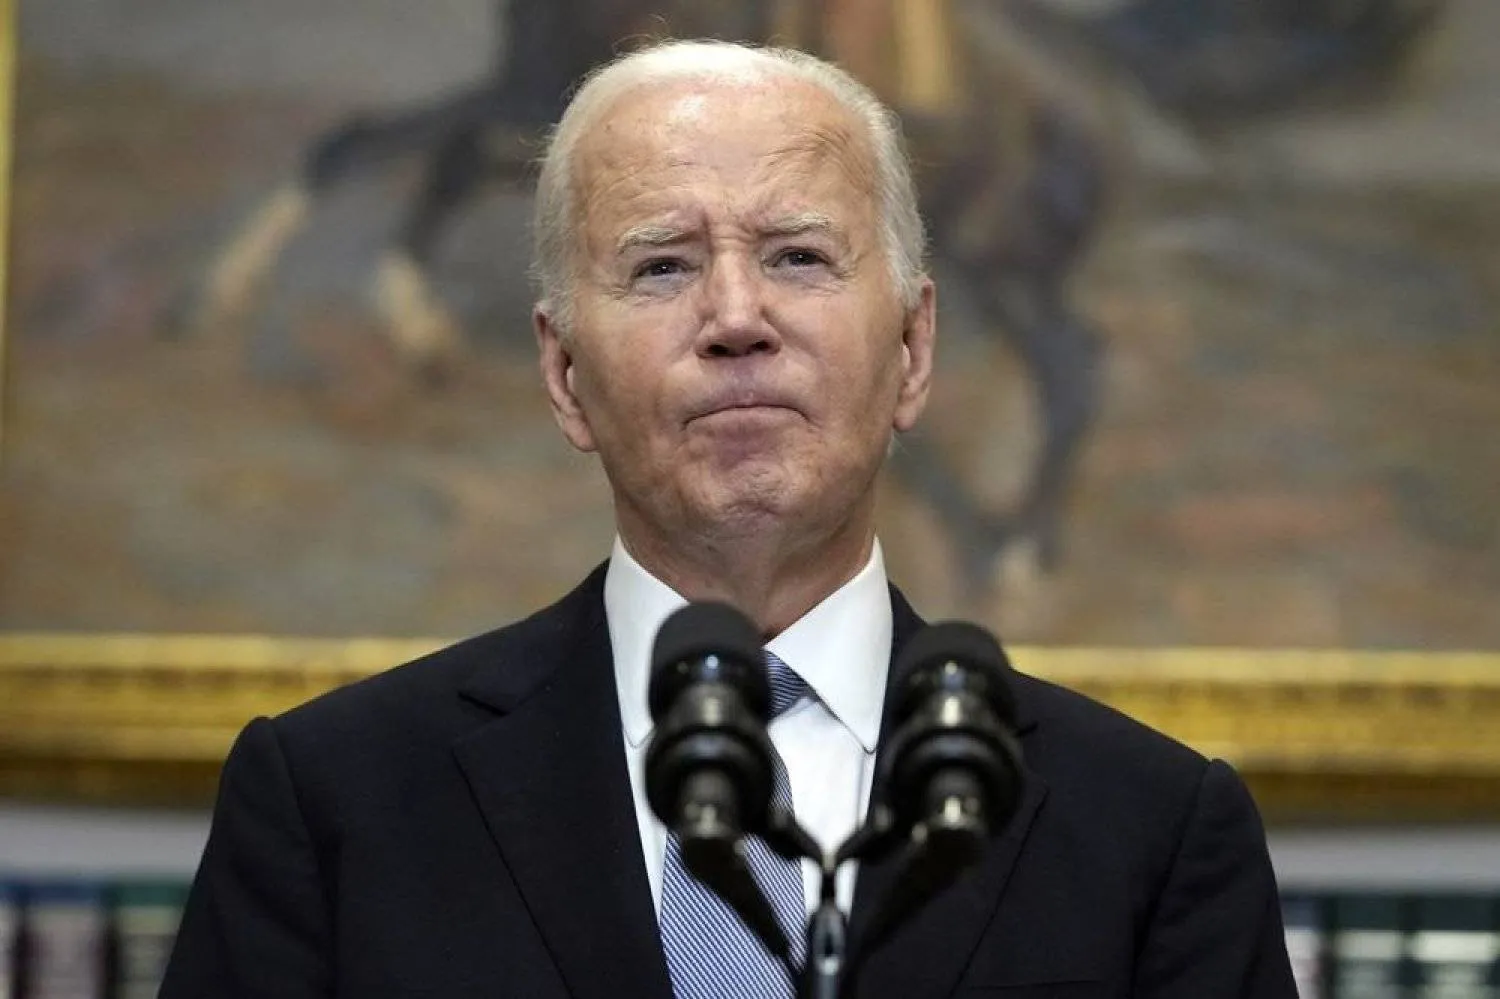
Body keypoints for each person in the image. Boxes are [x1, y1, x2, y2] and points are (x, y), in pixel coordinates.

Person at [160, 40, 1295, 998]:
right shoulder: (334, 806)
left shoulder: (1153, 834)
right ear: (563, 376)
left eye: (799, 257)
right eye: (662, 268)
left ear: (913, 350)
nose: (737, 319)